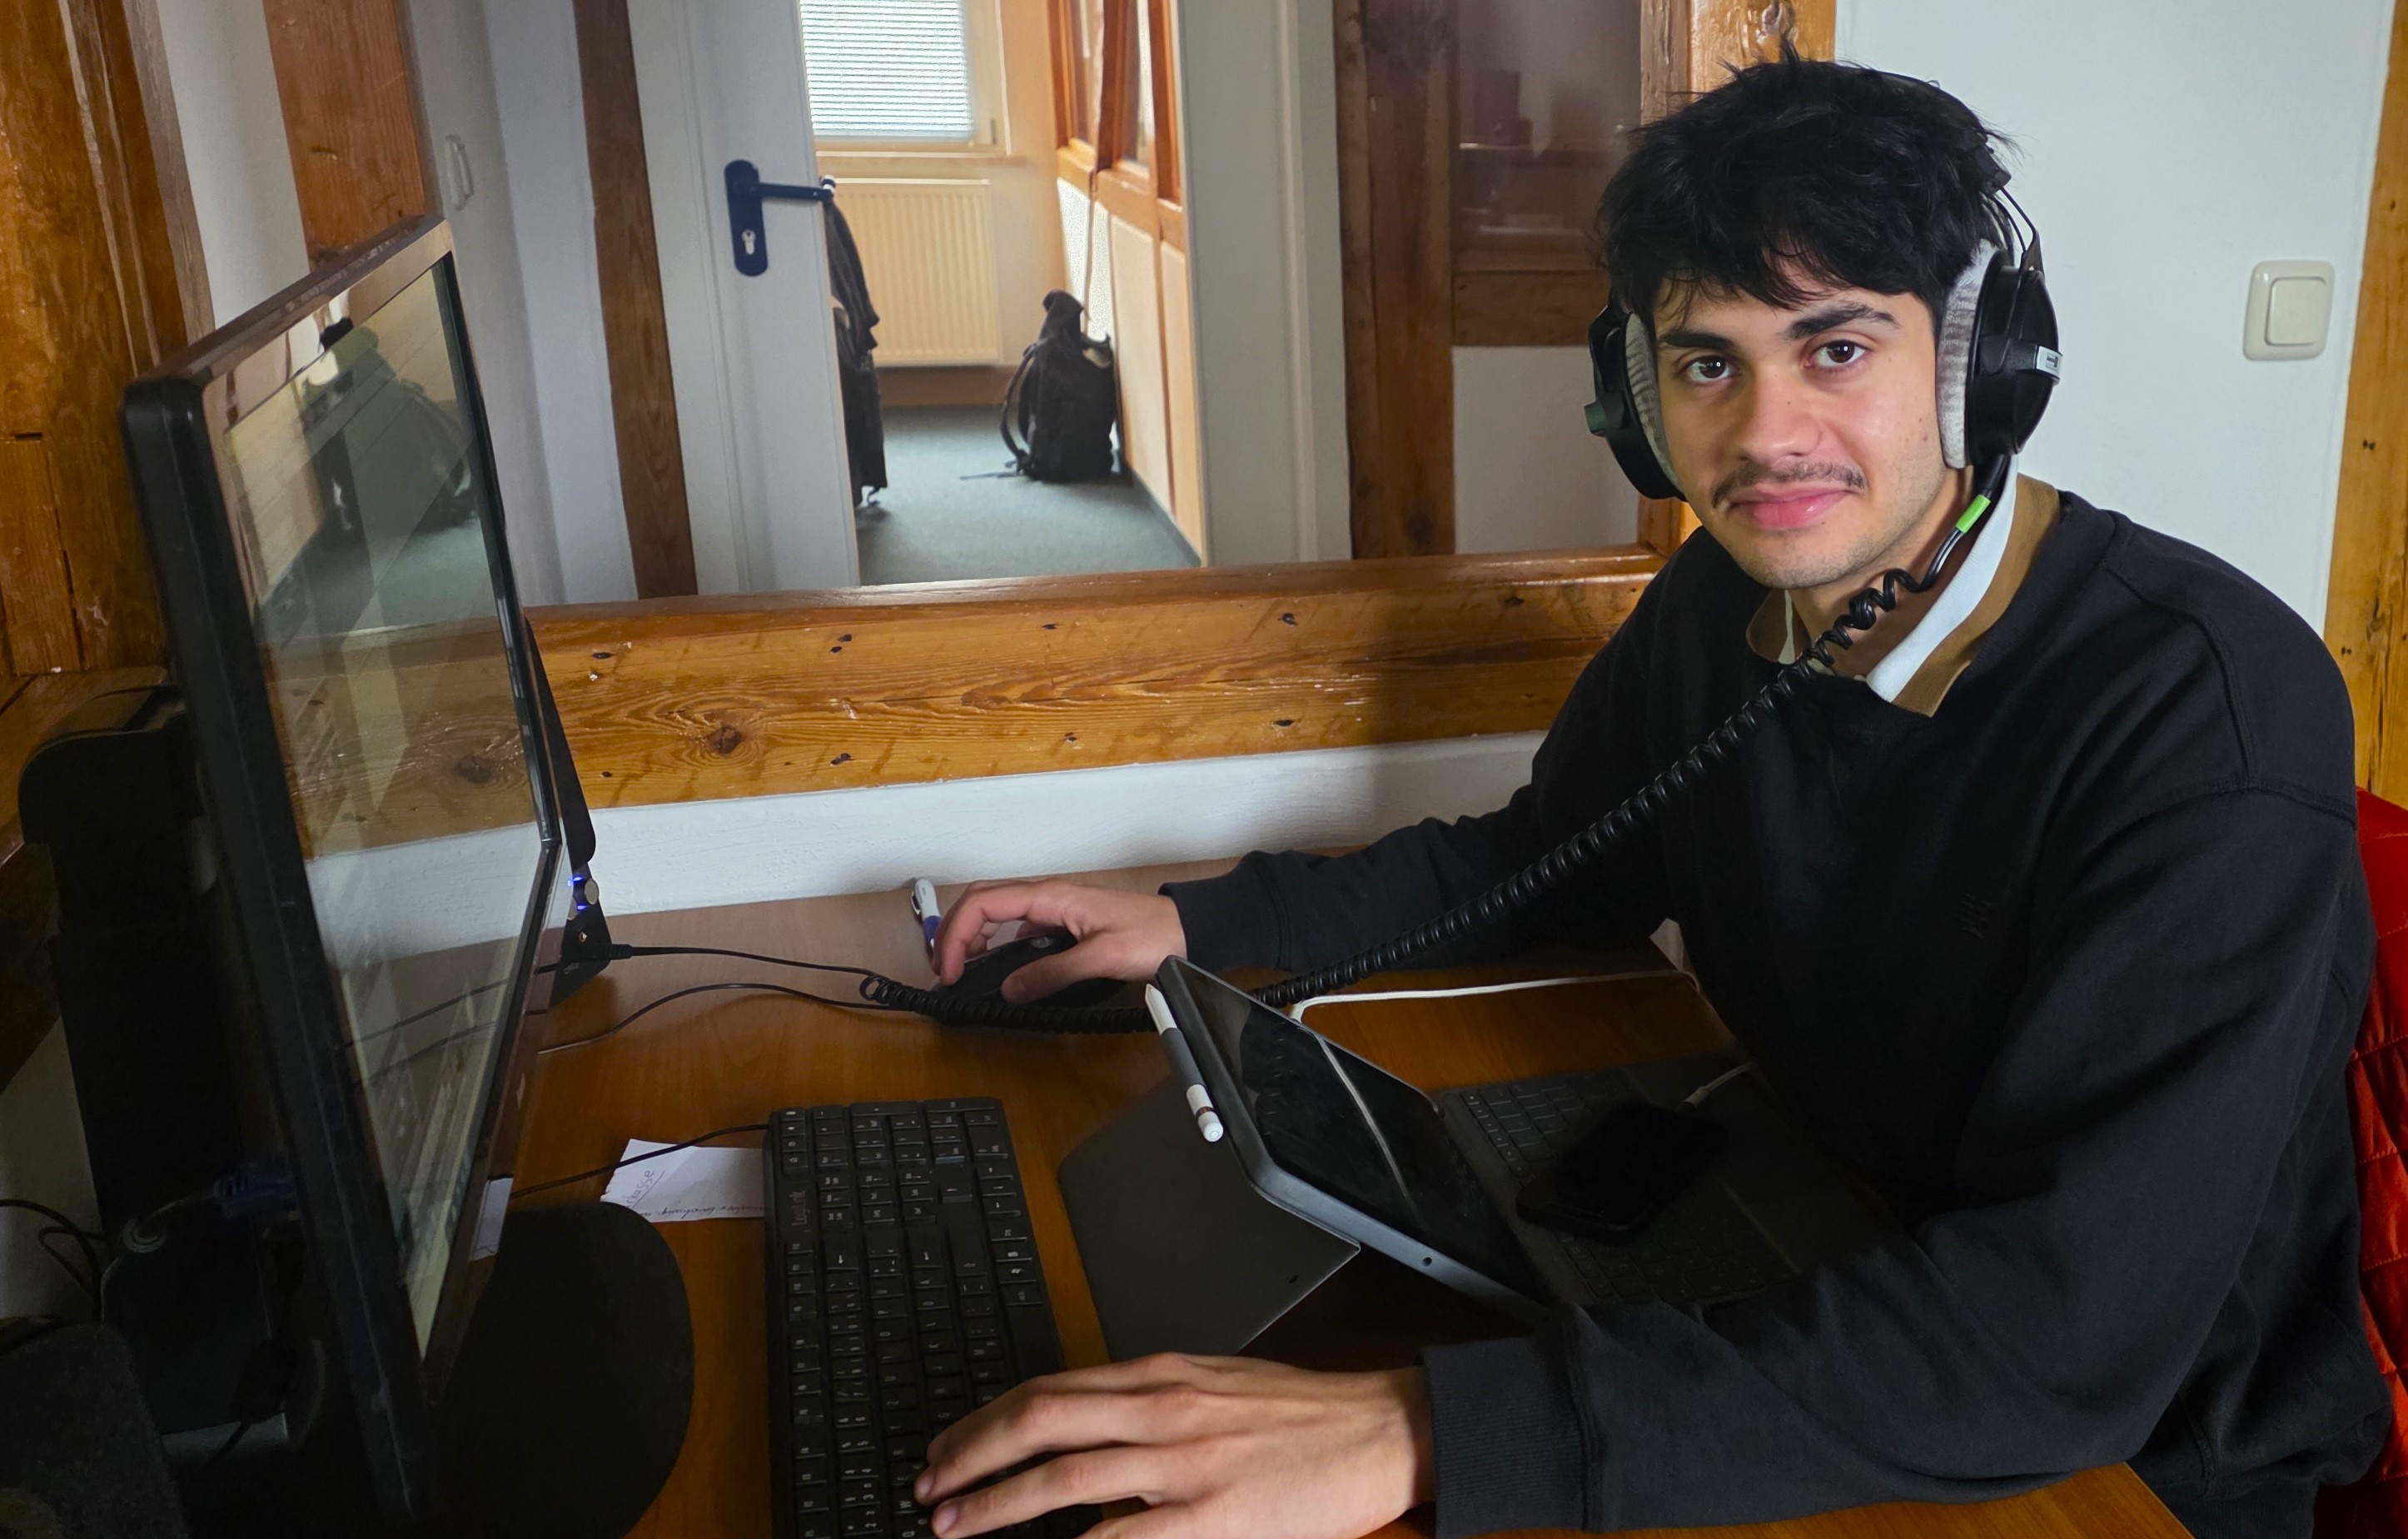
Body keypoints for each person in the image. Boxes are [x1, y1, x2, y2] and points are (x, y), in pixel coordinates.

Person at [917, 57, 2389, 1539]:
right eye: (1706, 365)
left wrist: (1417, 1433)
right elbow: (1549, 861)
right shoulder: (1727, 602)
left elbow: (2061, 1339)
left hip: (2133, 1453)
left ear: (1977, 362)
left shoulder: (2203, 716)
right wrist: (1198, 920)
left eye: (1835, 349)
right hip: (1826, 1273)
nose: (1763, 437)